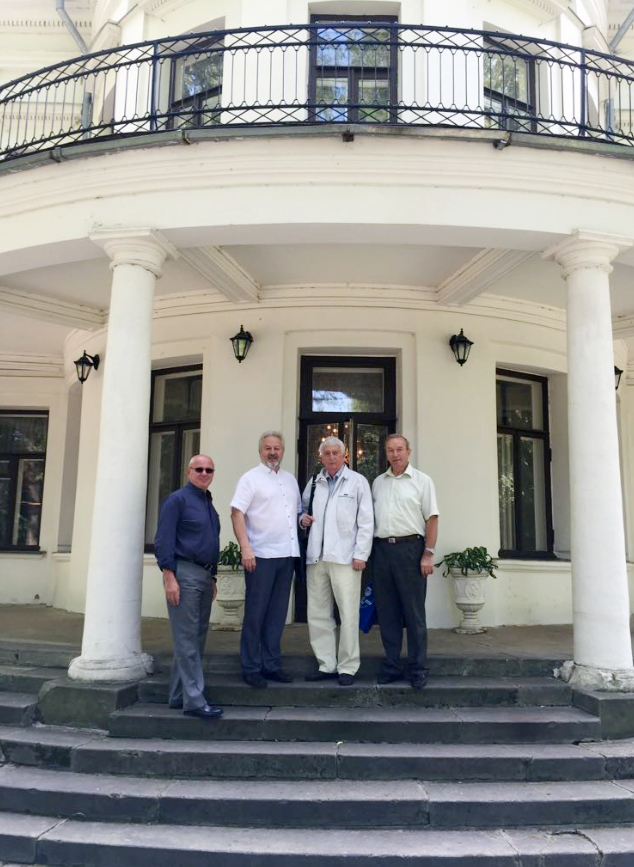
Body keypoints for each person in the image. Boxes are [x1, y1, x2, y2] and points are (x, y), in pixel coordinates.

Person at [230, 431, 302, 688]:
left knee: (277, 615)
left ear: (283, 451)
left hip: (287, 555)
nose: (273, 452)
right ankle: (251, 667)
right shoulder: (250, 479)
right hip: (260, 556)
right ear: (260, 451)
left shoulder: (290, 480)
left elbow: (296, 514)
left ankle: (271, 665)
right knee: (255, 614)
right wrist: (245, 548)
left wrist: (304, 520)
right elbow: (236, 513)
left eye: (277, 448)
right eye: (268, 448)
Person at [300, 437, 373, 686]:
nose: (331, 457)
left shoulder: (357, 482)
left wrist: (361, 554)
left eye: (336, 453)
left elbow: (366, 522)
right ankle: (326, 664)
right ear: (320, 456)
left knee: (348, 613)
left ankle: (348, 667)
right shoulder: (314, 482)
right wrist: (302, 520)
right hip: (316, 557)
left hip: (345, 558)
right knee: (318, 613)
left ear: (345, 456)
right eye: (327, 453)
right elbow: (303, 511)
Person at [154, 454, 223, 719]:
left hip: (204, 577)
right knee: (186, 639)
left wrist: (213, 577)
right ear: (188, 471)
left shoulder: (207, 503)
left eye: (209, 470)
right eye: (199, 469)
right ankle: (194, 701)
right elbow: (164, 540)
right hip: (184, 574)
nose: (204, 473)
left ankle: (178, 695)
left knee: (195, 638)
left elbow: (210, 542)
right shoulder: (177, 500)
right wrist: (169, 576)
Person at [371, 434, 439, 690]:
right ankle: (392, 665)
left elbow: (432, 519)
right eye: (390, 450)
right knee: (387, 613)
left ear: (408, 452)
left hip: (411, 549)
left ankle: (417, 667)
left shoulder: (422, 481)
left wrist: (428, 553)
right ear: (386, 454)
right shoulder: (378, 483)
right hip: (382, 551)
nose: (395, 454)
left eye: (399, 449)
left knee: (413, 613)